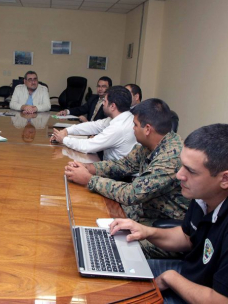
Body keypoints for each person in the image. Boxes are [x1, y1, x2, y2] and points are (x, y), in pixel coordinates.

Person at [110, 124, 228, 303]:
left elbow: (225, 301)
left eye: (190, 171)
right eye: (182, 165)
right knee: (114, 273)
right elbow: (188, 237)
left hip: (209, 295)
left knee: (120, 297)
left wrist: (171, 278)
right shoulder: (206, 194)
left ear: (225, 179)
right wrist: (146, 231)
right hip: (192, 275)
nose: (179, 175)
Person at [65, 99, 189, 257]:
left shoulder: (171, 157)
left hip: (163, 229)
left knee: (104, 245)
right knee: (90, 219)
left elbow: (132, 194)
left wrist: (89, 180)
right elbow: (123, 165)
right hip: (144, 212)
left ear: (148, 129)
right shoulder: (150, 145)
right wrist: (89, 168)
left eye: (135, 125)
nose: (132, 128)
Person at [51, 86, 137, 161]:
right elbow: (93, 125)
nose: (102, 103)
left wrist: (64, 139)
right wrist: (67, 131)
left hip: (116, 174)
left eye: (105, 101)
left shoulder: (119, 127)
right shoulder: (121, 118)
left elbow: (88, 146)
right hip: (108, 164)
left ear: (112, 106)